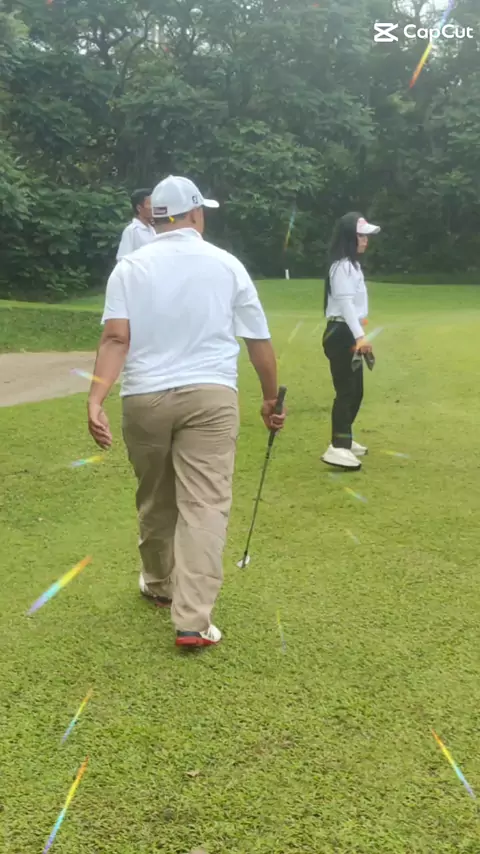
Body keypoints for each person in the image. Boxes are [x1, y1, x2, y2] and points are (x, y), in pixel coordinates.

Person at [87, 175, 286, 649]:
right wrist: (269, 397)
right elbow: (257, 340)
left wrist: (95, 398)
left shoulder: (129, 267)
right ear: (196, 214)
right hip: (211, 396)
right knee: (205, 504)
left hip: (145, 398)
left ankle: (160, 584)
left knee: (156, 496)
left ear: (156, 217)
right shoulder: (227, 264)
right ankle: (193, 620)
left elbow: (115, 338)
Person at [321, 212, 381, 470]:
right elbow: (345, 305)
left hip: (348, 331)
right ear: (348, 237)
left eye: (366, 236)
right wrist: (359, 337)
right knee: (347, 391)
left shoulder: (353, 266)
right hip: (341, 333)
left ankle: (345, 439)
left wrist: (358, 334)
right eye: (360, 235)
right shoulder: (342, 267)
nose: (365, 240)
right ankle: (337, 447)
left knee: (356, 391)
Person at [116, 189, 156, 260]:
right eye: (150, 204)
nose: (154, 207)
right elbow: (122, 258)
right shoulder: (132, 230)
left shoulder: (152, 229)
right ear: (139, 208)